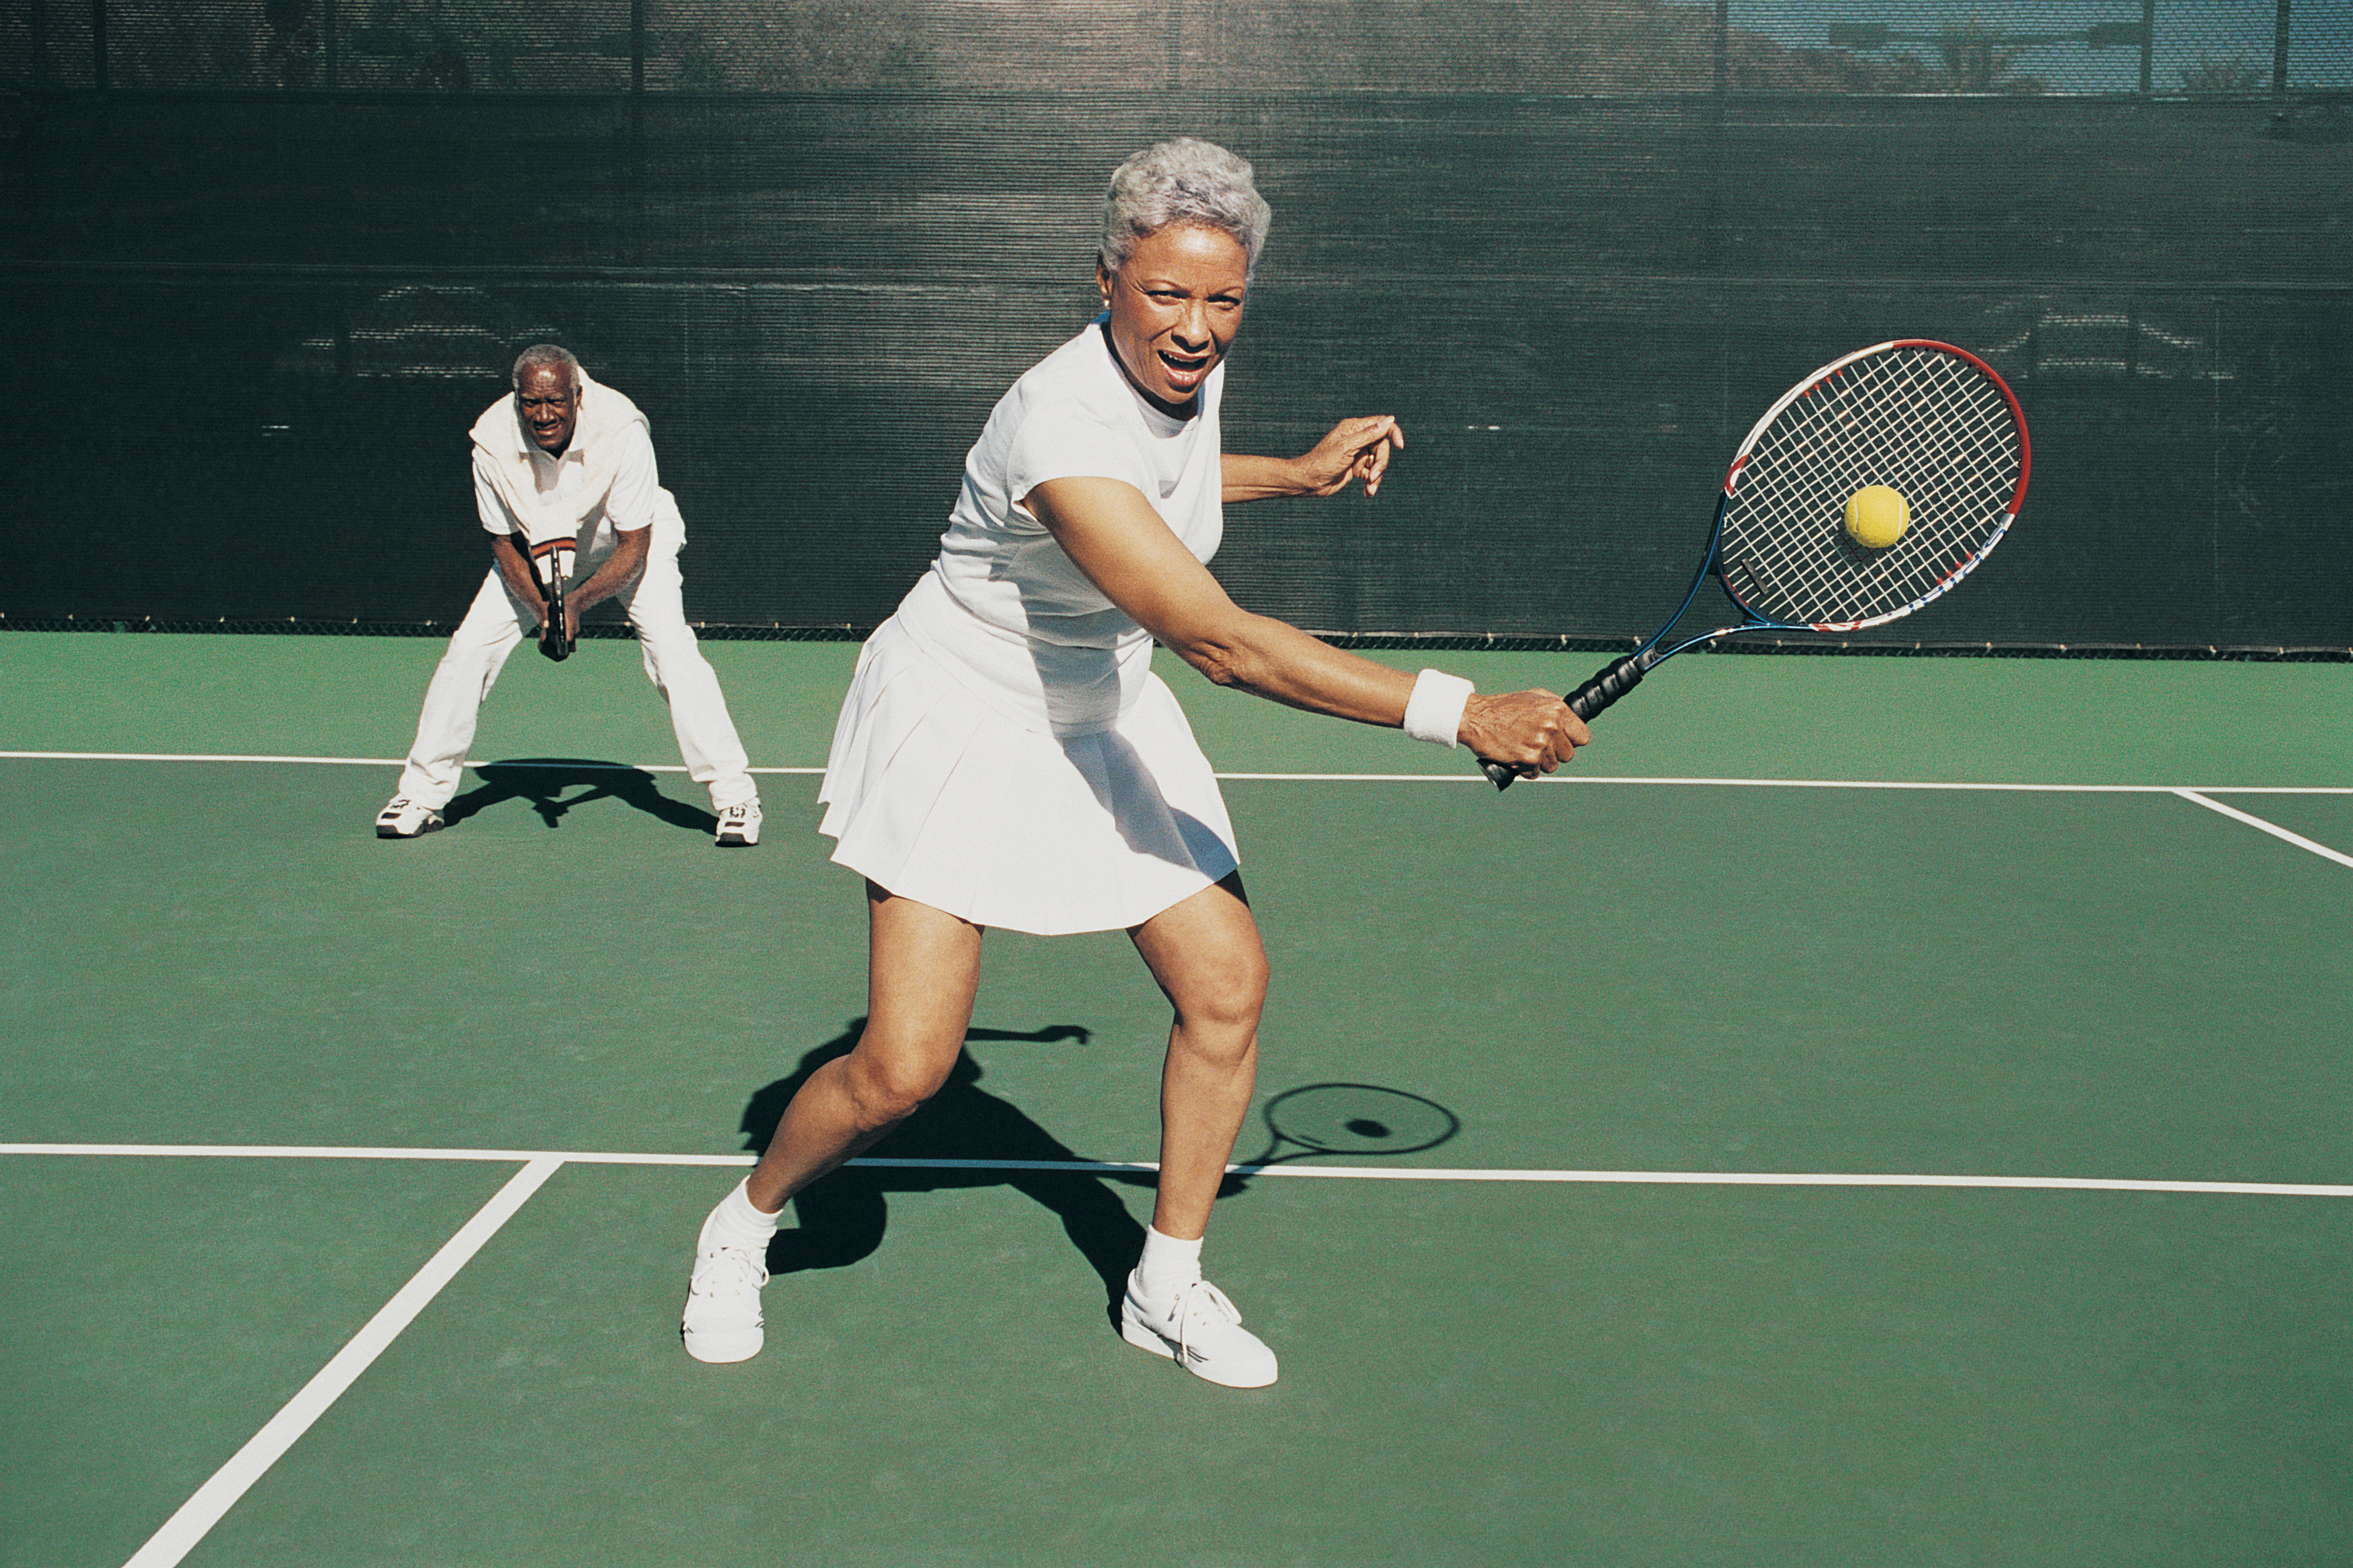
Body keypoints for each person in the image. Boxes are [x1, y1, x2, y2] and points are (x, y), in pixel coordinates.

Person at [681, 139, 1587, 1387]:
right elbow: (1218, 639)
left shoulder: (1186, 368)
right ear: (1103, 279)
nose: (1197, 327)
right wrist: (1461, 709)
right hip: (969, 712)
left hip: (1100, 700)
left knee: (1226, 986)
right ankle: (742, 1222)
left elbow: (1167, 475)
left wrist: (1294, 472)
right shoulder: (1054, 417)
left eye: (1225, 300)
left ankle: (1166, 1283)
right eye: (1166, 293)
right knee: (904, 1070)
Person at [375, 345, 763, 845]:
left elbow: (635, 546)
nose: (543, 415)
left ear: (578, 394)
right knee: (468, 652)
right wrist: (544, 611)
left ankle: (736, 798)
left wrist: (574, 605)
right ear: (517, 400)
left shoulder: (622, 430)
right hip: (534, 550)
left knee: (672, 650)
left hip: (624, 542)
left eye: (555, 401)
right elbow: (502, 543)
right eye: (531, 403)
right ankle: (422, 796)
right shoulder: (489, 441)